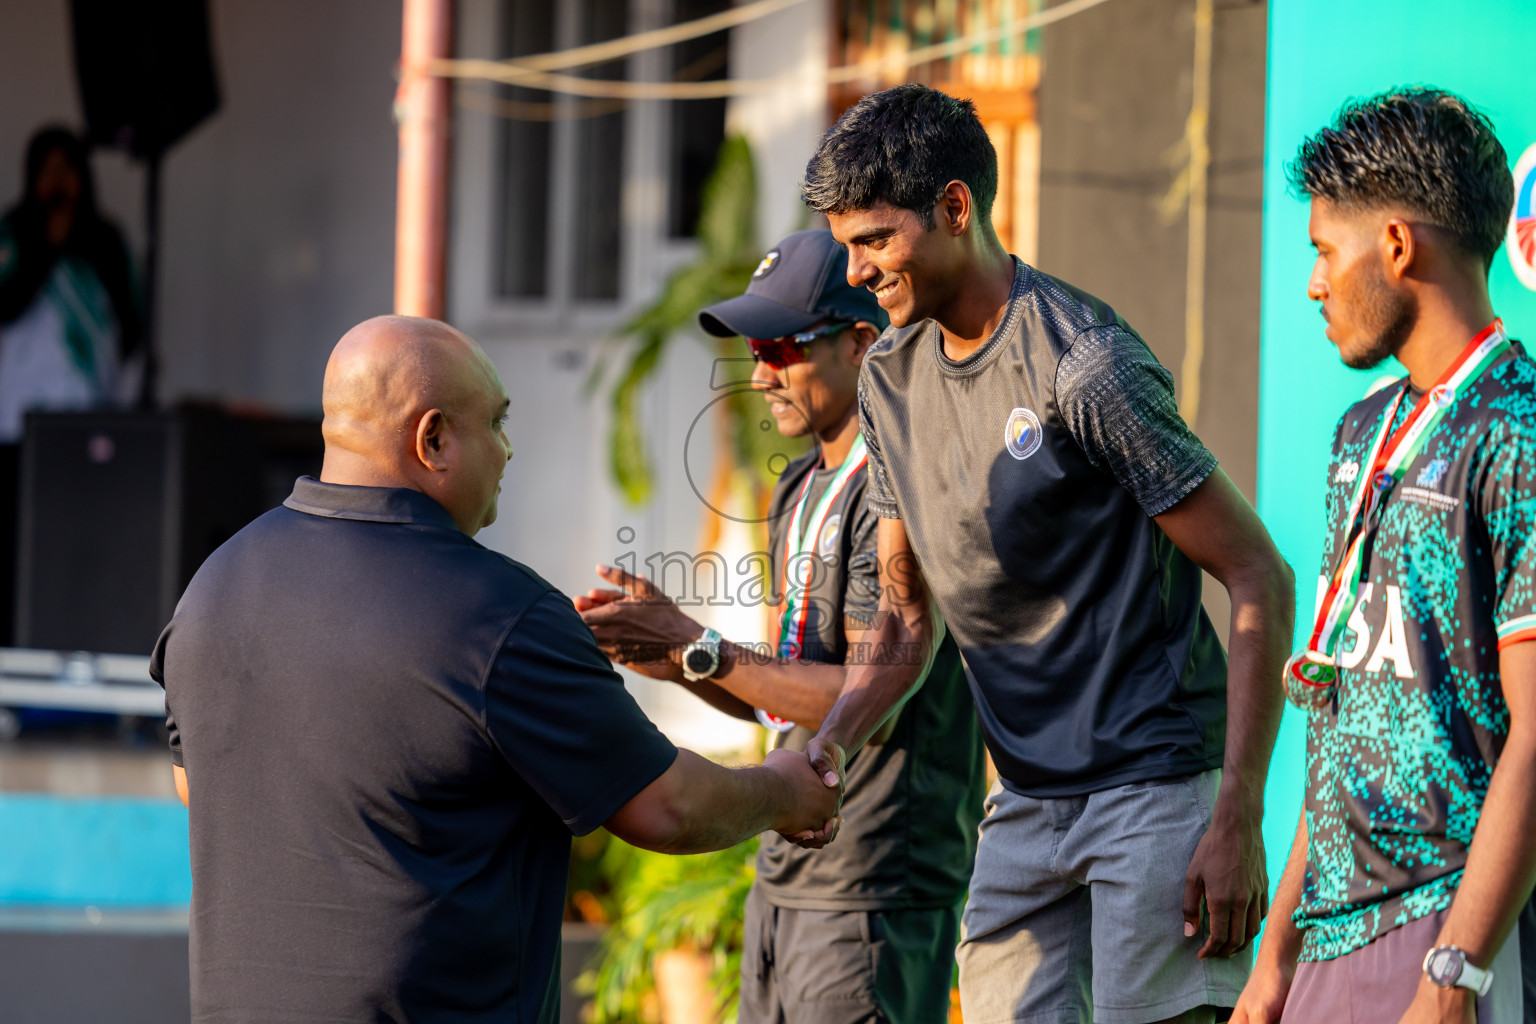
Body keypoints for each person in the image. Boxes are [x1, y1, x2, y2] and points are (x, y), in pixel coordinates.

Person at [150, 315, 840, 1024]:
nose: (508, 453)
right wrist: (782, 792)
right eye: (498, 425)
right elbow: (669, 808)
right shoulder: (497, 615)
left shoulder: (214, 586)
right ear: (435, 439)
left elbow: (194, 784)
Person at [798, 84, 1297, 1024]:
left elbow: (1257, 573)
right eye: (845, 246)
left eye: (873, 241)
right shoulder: (887, 380)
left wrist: (1237, 811)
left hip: (1153, 793)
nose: (855, 271)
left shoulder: (1086, 364)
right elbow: (907, 618)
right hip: (1024, 804)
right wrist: (826, 749)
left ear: (954, 208)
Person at [575, 229, 988, 1024]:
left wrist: (700, 647)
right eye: (752, 349)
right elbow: (787, 698)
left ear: (862, 343)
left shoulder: (903, 491)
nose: (759, 373)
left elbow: (871, 691)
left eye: (781, 346)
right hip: (784, 874)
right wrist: (683, 662)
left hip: (872, 888)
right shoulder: (795, 486)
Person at [1229, 88, 1536, 1024]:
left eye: (1325, 250)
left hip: (1447, 925)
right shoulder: (1361, 434)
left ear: (1396, 246)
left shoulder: (1518, 431)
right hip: (1329, 932)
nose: (1314, 283)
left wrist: (1457, 974)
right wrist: (1275, 956)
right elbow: (1344, 721)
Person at [0, 126, 140, 645]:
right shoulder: (11, 235)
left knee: (78, 542)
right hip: (15, 423)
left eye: (69, 170)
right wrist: (45, 248)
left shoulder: (105, 243)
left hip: (89, 420)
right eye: (48, 170)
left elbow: (131, 329)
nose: (59, 182)